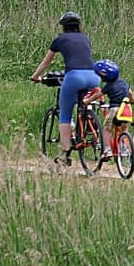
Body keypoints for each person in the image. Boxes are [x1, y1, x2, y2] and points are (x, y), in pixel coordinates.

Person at [30, 11, 99, 165]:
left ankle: (65, 153)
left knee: (65, 113)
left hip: (74, 76)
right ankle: (91, 126)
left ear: (63, 27)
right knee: (87, 103)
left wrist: (35, 76)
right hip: (93, 76)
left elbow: (46, 63)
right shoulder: (85, 38)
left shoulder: (60, 40)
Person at [83, 58, 134, 161]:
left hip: (115, 109)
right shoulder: (123, 82)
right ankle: (124, 148)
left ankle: (107, 150)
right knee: (124, 129)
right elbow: (131, 93)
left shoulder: (108, 86)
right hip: (126, 109)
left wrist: (87, 101)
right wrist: (132, 101)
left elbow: (98, 94)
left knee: (106, 129)